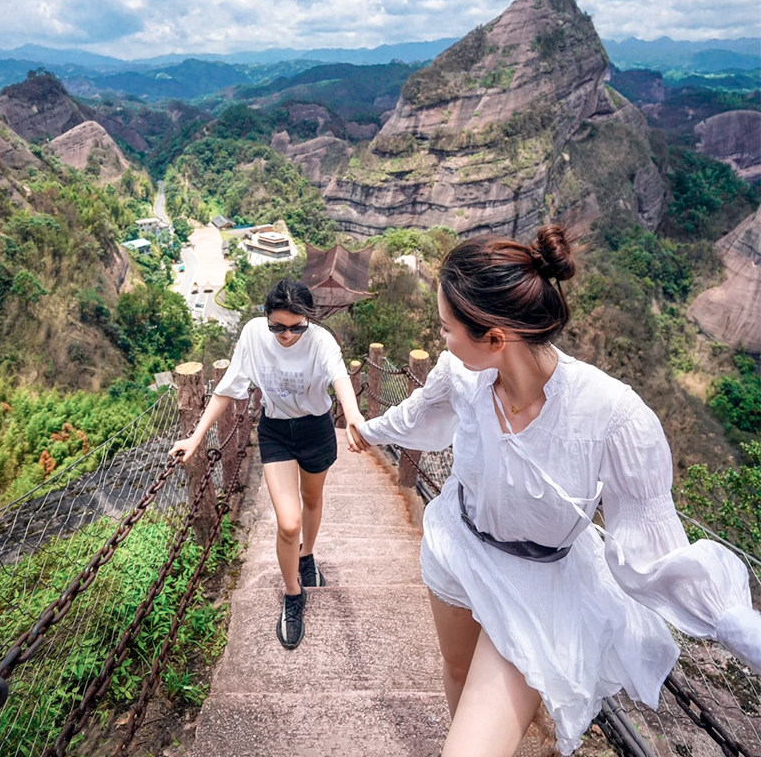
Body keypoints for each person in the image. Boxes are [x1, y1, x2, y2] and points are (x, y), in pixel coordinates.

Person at [349, 225, 761, 757]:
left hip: (534, 587)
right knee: (456, 669)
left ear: (495, 338)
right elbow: (417, 416)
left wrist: (739, 628)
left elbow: (656, 553)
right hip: (456, 545)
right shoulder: (460, 373)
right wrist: (366, 429)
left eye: (447, 327)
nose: (441, 338)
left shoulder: (613, 417)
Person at [170, 279, 365, 650]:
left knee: (312, 499)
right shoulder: (253, 335)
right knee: (288, 522)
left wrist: (353, 415)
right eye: (278, 327)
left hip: (316, 429)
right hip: (276, 431)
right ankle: (293, 593)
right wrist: (196, 437)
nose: (287, 335)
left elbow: (340, 378)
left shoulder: (321, 341)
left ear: (308, 319)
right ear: (266, 317)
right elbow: (228, 388)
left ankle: (307, 557)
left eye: (296, 327)